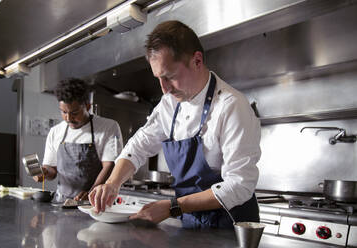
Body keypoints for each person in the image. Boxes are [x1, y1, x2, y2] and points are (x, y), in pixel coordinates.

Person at [89, 20, 261, 228]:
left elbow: (239, 185)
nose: (164, 89)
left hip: (230, 224)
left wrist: (173, 207)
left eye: (170, 76)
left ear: (197, 61)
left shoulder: (231, 106)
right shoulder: (170, 104)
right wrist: (112, 183)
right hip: (190, 221)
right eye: (158, 78)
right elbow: (139, 145)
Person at [33, 78, 123, 202]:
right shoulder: (55, 131)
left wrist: (92, 192)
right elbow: (52, 170)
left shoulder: (108, 127)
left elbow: (109, 166)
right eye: (64, 112)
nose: (69, 118)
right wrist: (44, 172)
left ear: (87, 106)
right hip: (62, 203)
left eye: (74, 113)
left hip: (95, 202)